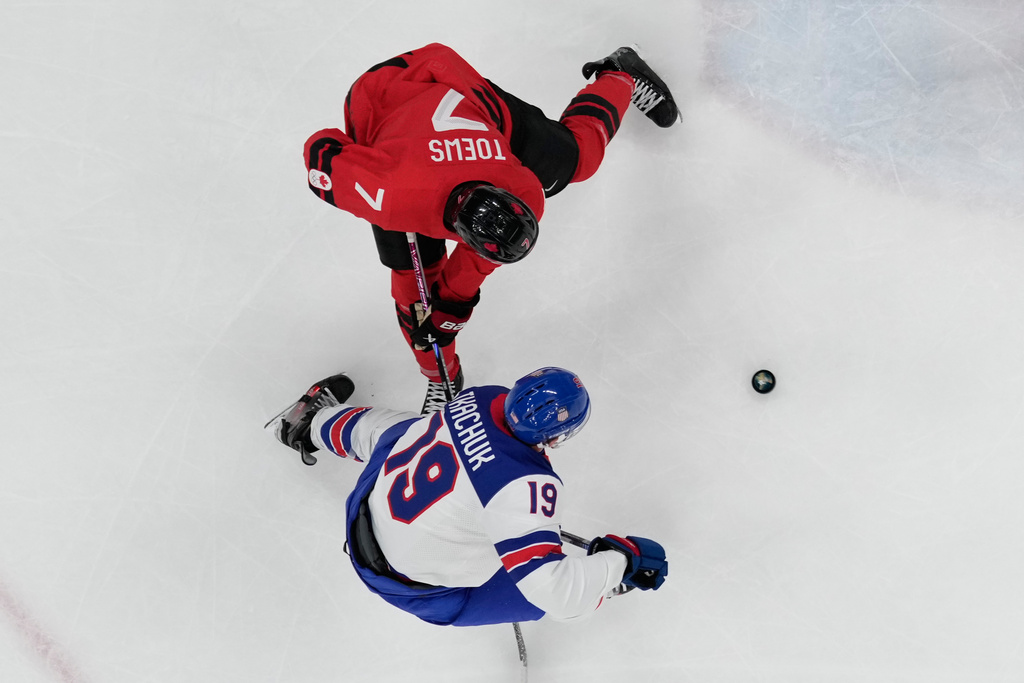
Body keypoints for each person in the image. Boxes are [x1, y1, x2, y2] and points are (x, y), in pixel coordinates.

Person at [303, 43, 680, 413]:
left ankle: (620, 72)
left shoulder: (524, 189)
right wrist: (372, 150)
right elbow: (321, 149)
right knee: (415, 301)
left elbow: (470, 271)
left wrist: (448, 317)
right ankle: (441, 376)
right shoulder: (389, 195)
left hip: (457, 90)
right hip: (381, 95)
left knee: (578, 157)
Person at [266, 367, 669, 625]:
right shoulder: (525, 487)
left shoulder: (485, 396)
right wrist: (620, 561)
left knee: (400, 432)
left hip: (365, 509)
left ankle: (311, 424)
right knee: (543, 600)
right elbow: (557, 591)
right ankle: (611, 585)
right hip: (404, 583)